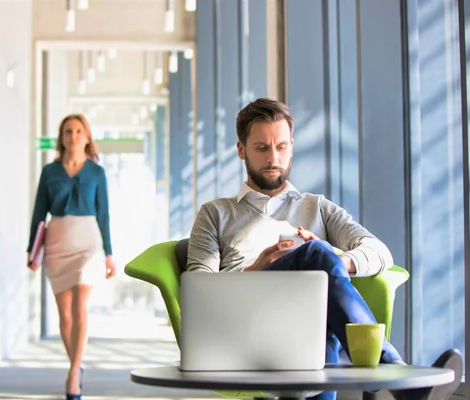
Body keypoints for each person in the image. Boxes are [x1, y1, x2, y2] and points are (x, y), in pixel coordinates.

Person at [185, 98, 462, 400]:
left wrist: (337, 260)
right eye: (262, 147)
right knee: (315, 257)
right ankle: (392, 372)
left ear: (291, 146)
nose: (273, 157)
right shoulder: (216, 213)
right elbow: (198, 287)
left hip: (312, 331)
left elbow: (380, 252)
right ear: (242, 150)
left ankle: (393, 379)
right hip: (249, 331)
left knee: (320, 282)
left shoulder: (317, 207)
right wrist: (255, 272)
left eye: (281, 146)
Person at [27, 114, 116, 400]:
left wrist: (109, 253)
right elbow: (39, 213)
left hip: (88, 243)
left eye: (79, 131)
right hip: (57, 243)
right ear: (61, 137)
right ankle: (75, 367)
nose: (73, 136)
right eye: (68, 131)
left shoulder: (96, 173)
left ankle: (73, 373)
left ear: (87, 137)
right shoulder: (49, 172)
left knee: (80, 307)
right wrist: (32, 251)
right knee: (64, 315)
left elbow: (104, 215)